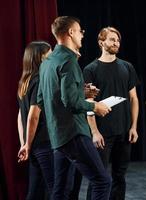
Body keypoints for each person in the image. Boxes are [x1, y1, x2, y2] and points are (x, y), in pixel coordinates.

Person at [37, 16, 112, 200]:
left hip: (57, 136)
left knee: (61, 190)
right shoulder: (69, 61)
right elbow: (70, 102)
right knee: (103, 181)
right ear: (71, 32)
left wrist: (80, 90)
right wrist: (95, 106)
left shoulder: (47, 62)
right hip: (74, 133)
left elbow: (43, 98)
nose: (82, 35)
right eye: (80, 31)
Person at [83, 26, 139, 200]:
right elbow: (88, 103)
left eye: (118, 40)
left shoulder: (127, 67)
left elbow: (134, 99)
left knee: (119, 177)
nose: (116, 43)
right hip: (102, 134)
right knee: (98, 178)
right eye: (112, 39)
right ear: (101, 42)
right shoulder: (90, 69)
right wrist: (94, 132)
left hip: (124, 131)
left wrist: (134, 127)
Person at [17, 41, 54, 200]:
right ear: (40, 57)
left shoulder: (24, 82)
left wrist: (24, 143)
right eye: (50, 54)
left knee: (35, 191)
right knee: (54, 189)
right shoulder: (39, 80)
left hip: (33, 144)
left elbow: (20, 116)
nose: (52, 57)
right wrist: (27, 144)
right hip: (43, 143)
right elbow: (33, 115)